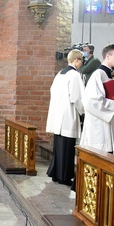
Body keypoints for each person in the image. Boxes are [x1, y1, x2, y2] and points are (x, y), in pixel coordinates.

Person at [45, 50, 85, 186]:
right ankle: (64, 177)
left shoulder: (60, 74)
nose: (81, 64)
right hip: (68, 116)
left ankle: (56, 174)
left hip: (58, 115)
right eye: (81, 61)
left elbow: (53, 92)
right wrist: (83, 111)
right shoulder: (74, 75)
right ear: (76, 60)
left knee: (59, 147)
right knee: (67, 148)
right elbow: (77, 97)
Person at [80, 44, 114, 154]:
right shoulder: (98, 74)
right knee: (99, 155)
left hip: (105, 121)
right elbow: (91, 101)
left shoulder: (107, 74)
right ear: (108, 56)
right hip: (98, 125)